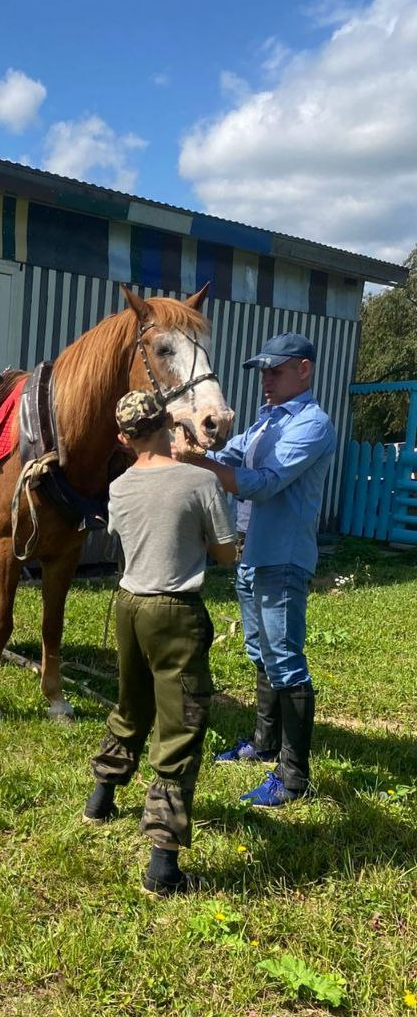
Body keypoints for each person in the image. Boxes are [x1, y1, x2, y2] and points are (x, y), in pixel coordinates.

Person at [83, 390, 237, 896]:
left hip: (129, 605)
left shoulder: (120, 487)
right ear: (170, 424)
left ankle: (101, 798)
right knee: (181, 725)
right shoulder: (200, 481)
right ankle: (163, 867)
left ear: (125, 440)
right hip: (175, 611)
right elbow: (225, 554)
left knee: (132, 705)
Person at [178, 332, 336, 809]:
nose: (265, 380)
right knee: (259, 652)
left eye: (275, 370)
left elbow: (262, 485)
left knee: (285, 659)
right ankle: (263, 743)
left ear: (304, 369)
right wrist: (187, 439)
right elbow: (227, 456)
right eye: (263, 371)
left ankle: (293, 777)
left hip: (282, 557)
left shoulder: (313, 424)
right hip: (251, 554)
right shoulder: (266, 422)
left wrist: (201, 461)